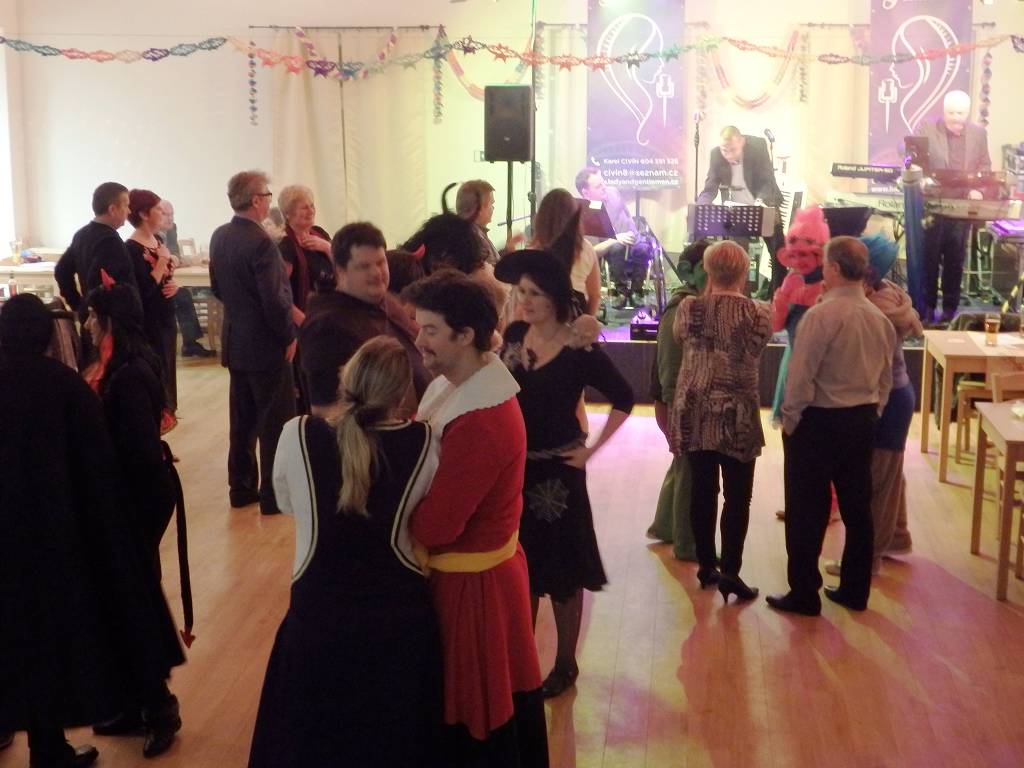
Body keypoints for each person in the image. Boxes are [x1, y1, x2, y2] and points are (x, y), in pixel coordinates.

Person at [0, 294, 185, 767]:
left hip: (12, 543)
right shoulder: (66, 386)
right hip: (67, 534)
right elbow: (99, 466)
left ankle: (48, 745)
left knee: (25, 638)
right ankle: (144, 709)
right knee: (111, 615)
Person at [249, 337, 443, 768]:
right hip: (398, 622)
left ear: (346, 378)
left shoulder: (298, 434)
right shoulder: (426, 442)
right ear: (402, 392)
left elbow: (286, 503)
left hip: (317, 617)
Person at [404, 270, 549, 767]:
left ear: (465, 335)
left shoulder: (481, 419)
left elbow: (436, 528)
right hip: (474, 578)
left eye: (430, 330)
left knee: (473, 715)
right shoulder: (459, 386)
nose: (418, 340)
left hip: (472, 591)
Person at [495, 250, 634, 698]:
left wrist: (591, 451)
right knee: (523, 563)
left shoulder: (578, 347)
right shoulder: (515, 335)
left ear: (555, 297)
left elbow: (624, 396)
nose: (524, 300)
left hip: (559, 472)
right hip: (519, 468)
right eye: (521, 292)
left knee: (563, 568)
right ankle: (524, 660)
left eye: (534, 293)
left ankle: (565, 664)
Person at [80, 280, 184, 757]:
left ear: (107, 322)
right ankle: (136, 703)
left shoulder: (127, 375)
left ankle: (159, 709)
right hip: (136, 495)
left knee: (134, 601)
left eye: (92, 316)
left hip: (138, 498)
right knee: (128, 599)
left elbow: (139, 452)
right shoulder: (127, 365)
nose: (86, 324)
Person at [768, 237, 896, 616]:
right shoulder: (879, 318)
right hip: (861, 419)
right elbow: (886, 379)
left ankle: (804, 593)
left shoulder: (820, 317)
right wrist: (872, 412)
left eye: (825, 263)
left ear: (836, 269)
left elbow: (800, 378)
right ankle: (856, 591)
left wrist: (791, 421)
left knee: (806, 510)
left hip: (818, 421)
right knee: (858, 509)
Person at [669, 240, 772, 600]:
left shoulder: (689, 308)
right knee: (738, 497)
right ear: (745, 271)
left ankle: (705, 565)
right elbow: (756, 348)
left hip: (695, 408)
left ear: (708, 270)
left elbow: (679, 338)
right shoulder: (760, 313)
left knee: (702, 489)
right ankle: (731, 571)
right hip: (737, 412)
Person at [826, 234, 920, 577]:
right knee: (890, 475)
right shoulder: (891, 295)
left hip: (886, 399)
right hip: (899, 394)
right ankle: (896, 536)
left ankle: (868, 560)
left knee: (875, 484)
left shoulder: (872, 310)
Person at [209, 170, 296, 515]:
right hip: (265, 344)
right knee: (274, 421)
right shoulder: (261, 242)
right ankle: (273, 495)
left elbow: (217, 288)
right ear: (257, 200)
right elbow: (274, 299)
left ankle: (241, 487)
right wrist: (288, 335)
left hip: (235, 340)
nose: (269, 201)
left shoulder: (220, 235)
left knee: (242, 420)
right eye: (268, 196)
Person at [299, 222, 429, 419]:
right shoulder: (325, 326)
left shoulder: (382, 300)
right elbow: (325, 411)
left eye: (380, 262)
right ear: (341, 271)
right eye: (364, 266)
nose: (376, 273)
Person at [646, 239, 711, 561]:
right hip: (676, 401)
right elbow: (669, 365)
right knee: (689, 471)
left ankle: (666, 526)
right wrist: (673, 407)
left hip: (680, 400)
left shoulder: (693, 302)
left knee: (683, 464)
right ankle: (688, 543)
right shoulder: (680, 307)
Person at [915, 90, 992, 323]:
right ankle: (927, 309)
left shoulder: (978, 134)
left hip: (961, 207)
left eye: (960, 113)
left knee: (955, 261)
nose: (956, 118)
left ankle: (950, 311)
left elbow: (985, 167)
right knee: (929, 259)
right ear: (943, 110)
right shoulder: (927, 129)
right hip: (933, 205)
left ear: (968, 112)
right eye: (951, 113)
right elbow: (912, 160)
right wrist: (918, 176)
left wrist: (980, 190)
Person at [696, 126, 785, 294]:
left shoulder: (758, 147)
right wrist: (700, 206)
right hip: (738, 209)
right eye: (725, 150)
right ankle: (742, 296)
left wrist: (759, 202)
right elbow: (710, 187)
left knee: (778, 251)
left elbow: (767, 182)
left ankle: (778, 295)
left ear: (742, 142)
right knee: (738, 255)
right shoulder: (716, 155)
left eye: (733, 150)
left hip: (763, 202)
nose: (728, 155)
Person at [276, 185, 335, 413]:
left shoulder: (320, 235)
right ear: (288, 214)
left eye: (312, 206)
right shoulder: (286, 246)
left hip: (328, 320)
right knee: (310, 389)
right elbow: (280, 292)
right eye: (304, 208)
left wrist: (327, 248)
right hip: (304, 325)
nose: (311, 211)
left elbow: (344, 270)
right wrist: (305, 322)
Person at [125, 189, 180, 414]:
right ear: (144, 214)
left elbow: (165, 278)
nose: (162, 214)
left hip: (166, 314)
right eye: (158, 209)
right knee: (156, 364)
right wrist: (161, 263)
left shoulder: (157, 240)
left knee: (168, 363)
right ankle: (157, 412)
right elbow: (143, 289)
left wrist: (174, 283)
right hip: (150, 318)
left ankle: (168, 410)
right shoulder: (131, 248)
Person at [403, 212, 510, 322]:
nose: (442, 266)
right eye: (436, 263)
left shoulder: (479, 288)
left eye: (451, 260)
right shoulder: (411, 273)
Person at [55, 181, 137, 313]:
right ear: (112, 209)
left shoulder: (81, 234)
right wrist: (83, 307)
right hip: (109, 320)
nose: (129, 211)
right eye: (126, 205)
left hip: (93, 316)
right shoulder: (109, 241)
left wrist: (79, 306)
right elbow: (97, 283)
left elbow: (61, 270)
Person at [575, 166, 638, 308]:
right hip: (609, 251)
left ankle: (636, 292)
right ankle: (621, 293)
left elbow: (628, 216)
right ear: (586, 193)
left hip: (631, 240)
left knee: (643, 249)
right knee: (617, 247)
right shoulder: (583, 214)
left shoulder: (613, 193)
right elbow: (593, 251)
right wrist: (615, 239)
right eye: (598, 186)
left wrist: (632, 231)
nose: (604, 187)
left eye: (603, 183)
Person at [530, 188, 601, 315]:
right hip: (575, 315)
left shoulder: (533, 250)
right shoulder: (586, 248)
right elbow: (595, 296)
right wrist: (585, 322)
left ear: (542, 216)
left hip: (541, 319)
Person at [161, 200, 216, 358]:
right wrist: (175, 259)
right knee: (183, 295)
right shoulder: (150, 232)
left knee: (183, 294)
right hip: (157, 282)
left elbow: (174, 253)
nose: (170, 218)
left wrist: (176, 259)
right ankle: (190, 344)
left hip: (171, 276)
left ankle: (190, 343)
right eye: (166, 214)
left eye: (172, 214)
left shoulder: (172, 228)